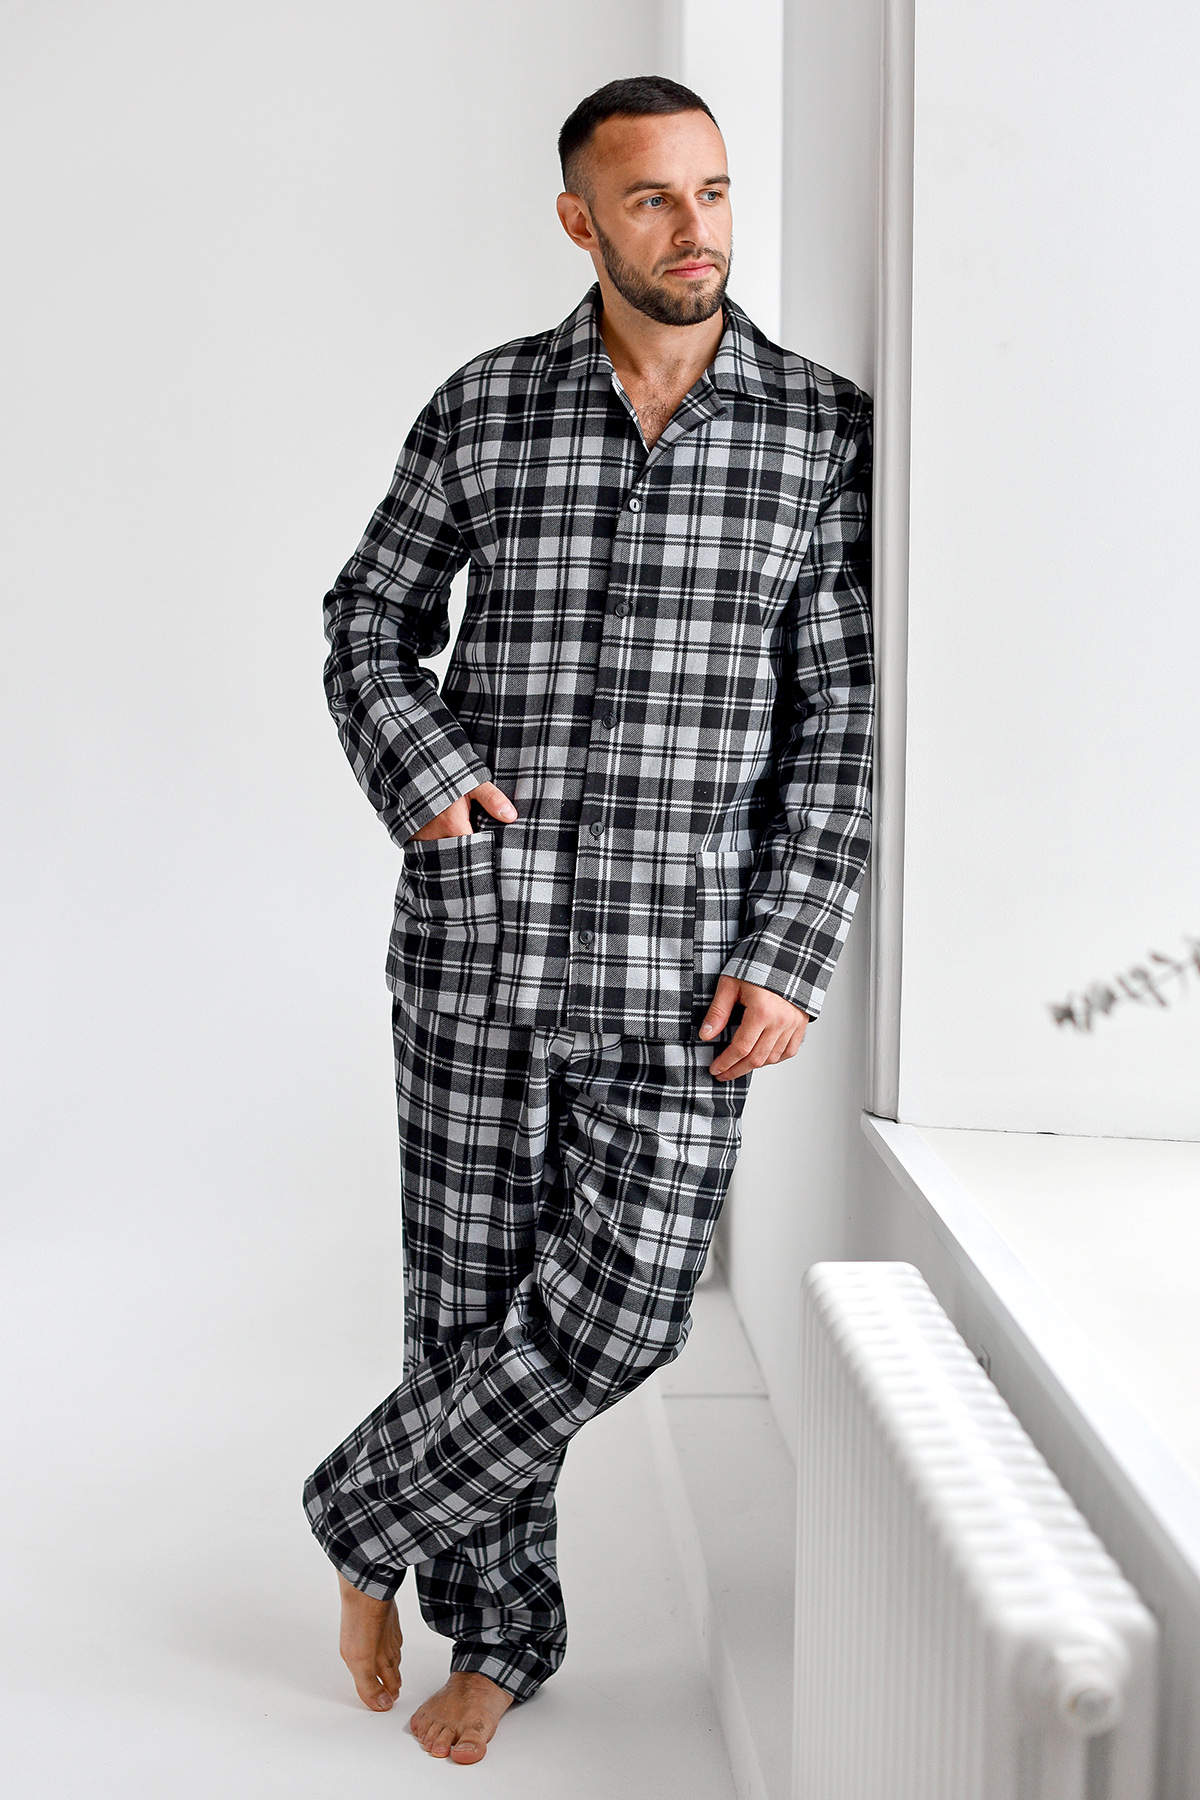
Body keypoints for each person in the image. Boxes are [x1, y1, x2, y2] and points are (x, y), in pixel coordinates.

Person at [303, 74, 873, 1764]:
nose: (696, 229)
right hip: (477, 946)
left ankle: (357, 1518)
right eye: (652, 200)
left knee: (625, 1309)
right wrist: (424, 773)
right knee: (467, 1315)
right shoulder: (485, 406)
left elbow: (838, 723)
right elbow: (368, 621)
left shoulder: (819, 431)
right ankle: (501, 1637)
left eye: (713, 191)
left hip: (686, 971)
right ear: (581, 220)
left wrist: (790, 949)